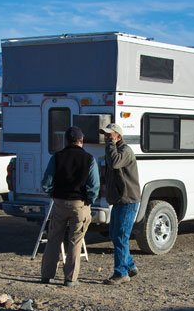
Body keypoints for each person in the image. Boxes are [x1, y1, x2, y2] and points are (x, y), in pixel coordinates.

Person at [39, 126, 99, 287]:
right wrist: (89, 200)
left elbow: (46, 183)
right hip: (79, 204)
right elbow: (94, 186)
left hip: (59, 202)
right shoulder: (89, 159)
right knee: (75, 241)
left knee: (53, 239)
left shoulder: (57, 157)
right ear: (82, 140)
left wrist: (53, 193)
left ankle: (47, 275)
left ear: (66, 140)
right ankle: (70, 278)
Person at [100, 123, 141, 285]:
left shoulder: (125, 151)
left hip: (128, 200)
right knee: (115, 235)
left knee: (121, 236)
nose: (107, 137)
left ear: (118, 136)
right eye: (105, 135)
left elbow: (115, 163)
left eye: (110, 134)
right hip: (119, 200)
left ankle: (121, 273)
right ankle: (130, 266)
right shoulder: (114, 150)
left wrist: (110, 145)